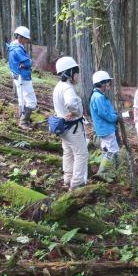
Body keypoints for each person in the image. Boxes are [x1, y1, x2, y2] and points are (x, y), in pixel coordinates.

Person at [53, 56, 88, 190]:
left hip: (64, 128)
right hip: (72, 128)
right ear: (69, 73)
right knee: (81, 153)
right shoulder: (67, 88)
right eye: (76, 72)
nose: (78, 76)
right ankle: (77, 183)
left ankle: (68, 179)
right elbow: (71, 103)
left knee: (68, 152)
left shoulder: (58, 86)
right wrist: (74, 112)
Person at [89, 70, 120, 182]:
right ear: (102, 83)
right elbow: (104, 114)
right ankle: (102, 173)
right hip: (105, 128)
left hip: (104, 128)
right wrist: (115, 117)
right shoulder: (98, 97)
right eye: (108, 82)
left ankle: (113, 172)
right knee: (112, 150)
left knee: (107, 150)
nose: (109, 84)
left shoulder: (98, 95)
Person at [7, 26, 37, 129]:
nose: (27, 40)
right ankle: (23, 122)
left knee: (22, 99)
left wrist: (25, 63)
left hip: (18, 76)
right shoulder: (17, 49)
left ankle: (23, 119)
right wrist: (28, 62)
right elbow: (28, 62)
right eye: (26, 38)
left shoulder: (13, 47)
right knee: (32, 101)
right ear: (21, 37)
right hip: (22, 77)